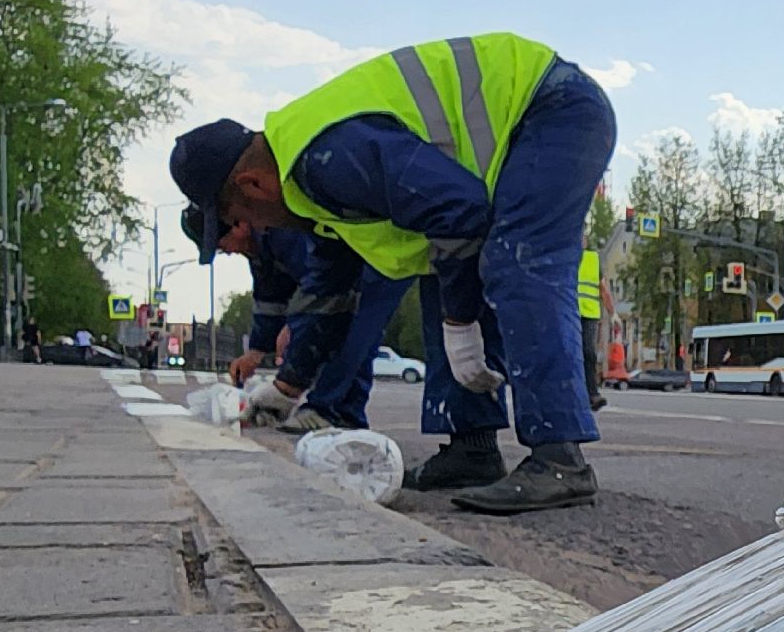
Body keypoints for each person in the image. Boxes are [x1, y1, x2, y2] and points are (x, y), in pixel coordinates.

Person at [168, 32, 615, 513]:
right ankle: (473, 448)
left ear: (251, 183)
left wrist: (461, 322)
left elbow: (461, 211)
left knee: (517, 259)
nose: (250, 228)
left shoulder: (329, 156)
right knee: (437, 272)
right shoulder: (308, 185)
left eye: (239, 216)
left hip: (552, 108)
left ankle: (560, 458)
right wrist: (288, 387)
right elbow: (331, 293)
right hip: (527, 121)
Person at [183, 203, 410, 432]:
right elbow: (270, 299)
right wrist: (256, 351)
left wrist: (287, 384)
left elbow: (322, 294)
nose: (228, 252)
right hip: (347, 274)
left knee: (353, 331)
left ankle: (333, 413)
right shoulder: (259, 247)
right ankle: (334, 412)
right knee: (339, 330)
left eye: (221, 245)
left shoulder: (286, 235)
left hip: (375, 260)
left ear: (240, 224)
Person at [578, 244, 606, 411]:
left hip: (589, 314)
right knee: (568, 353)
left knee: (588, 353)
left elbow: (603, 289)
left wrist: (613, 313)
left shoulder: (593, 259)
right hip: (567, 312)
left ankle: (592, 394)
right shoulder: (564, 254)